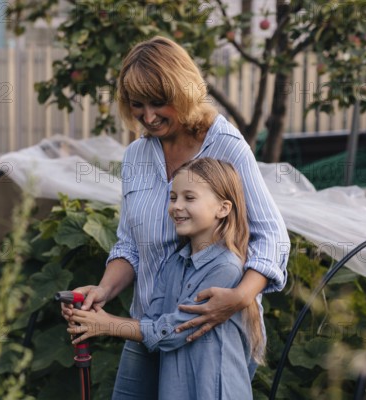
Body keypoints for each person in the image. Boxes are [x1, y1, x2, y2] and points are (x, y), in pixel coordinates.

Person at [62, 35, 290, 399]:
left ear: (184, 94)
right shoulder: (137, 156)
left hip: (204, 328)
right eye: (137, 105)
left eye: (159, 103)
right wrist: (104, 289)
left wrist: (238, 297)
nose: (148, 117)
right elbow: (131, 244)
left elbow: (272, 237)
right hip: (146, 323)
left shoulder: (226, 145)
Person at [68, 158, 264, 399]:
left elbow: (174, 329)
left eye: (189, 198)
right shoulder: (174, 263)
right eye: (173, 198)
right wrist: (91, 317)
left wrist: (107, 324)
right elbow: (152, 319)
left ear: (223, 208)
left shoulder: (226, 268)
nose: (176, 206)